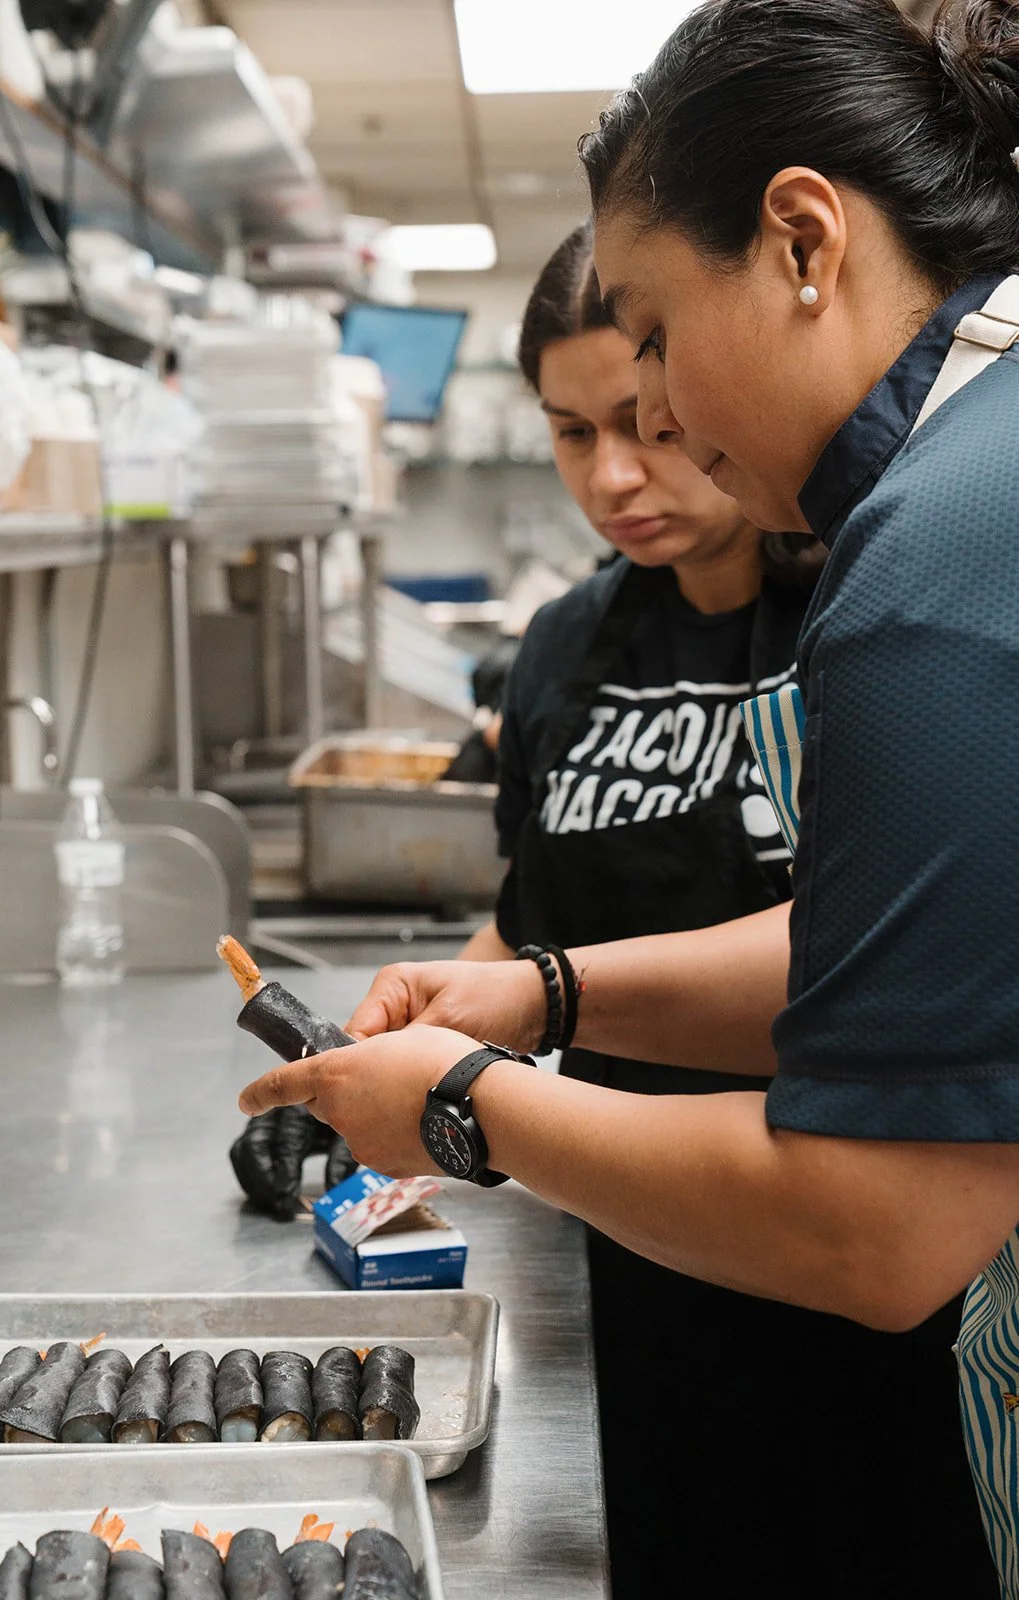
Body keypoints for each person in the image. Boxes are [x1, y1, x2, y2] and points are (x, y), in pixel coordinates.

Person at [239, 1, 1019, 1591]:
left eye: (658, 338)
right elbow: (904, 965)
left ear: (803, 240)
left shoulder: (932, 555)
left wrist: (462, 1108)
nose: (670, 431)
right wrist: (545, 990)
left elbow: (881, 1228)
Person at [455, 223, 989, 1600]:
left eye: (644, 418)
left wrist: (483, 1074)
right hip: (637, 1219)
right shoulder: (565, 648)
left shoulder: (879, 598)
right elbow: (527, 921)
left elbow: (880, 980)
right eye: (572, 436)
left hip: (855, 1228)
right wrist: (457, 1030)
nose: (620, 473)